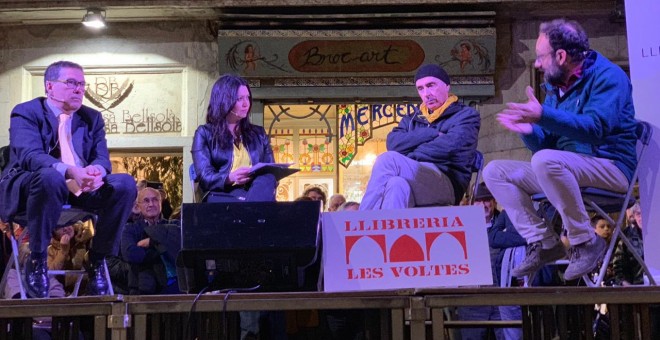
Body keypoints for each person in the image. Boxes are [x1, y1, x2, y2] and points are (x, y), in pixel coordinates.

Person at [483, 18, 637, 281]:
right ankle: (545, 242)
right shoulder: (557, 87)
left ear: (561, 55)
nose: (537, 64)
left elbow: (595, 128)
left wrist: (542, 114)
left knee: (546, 161)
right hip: (565, 167)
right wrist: (529, 130)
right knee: (495, 171)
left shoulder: (609, 77)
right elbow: (545, 144)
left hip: (610, 167)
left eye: (541, 57)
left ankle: (585, 241)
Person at [0, 60, 137, 298]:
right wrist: (69, 170)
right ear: (49, 87)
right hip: (32, 187)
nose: (79, 89)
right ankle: (38, 259)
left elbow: (102, 159)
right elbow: (29, 156)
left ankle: (97, 260)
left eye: (82, 84)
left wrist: (96, 173)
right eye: (71, 83)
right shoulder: (26, 112)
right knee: (50, 177)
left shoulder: (91, 118)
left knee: (124, 184)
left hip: (78, 190)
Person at [359, 64, 480, 210]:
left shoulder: (466, 115)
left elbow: (449, 148)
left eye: (431, 85)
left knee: (388, 159)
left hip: (447, 181)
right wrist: (431, 134)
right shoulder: (412, 118)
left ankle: (363, 221)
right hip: (416, 180)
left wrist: (407, 155)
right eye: (420, 88)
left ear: (447, 86)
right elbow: (393, 143)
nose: (426, 93)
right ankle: (388, 232)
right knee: (396, 184)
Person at [192, 74, 277, 203]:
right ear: (223, 101)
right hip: (222, 194)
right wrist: (229, 178)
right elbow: (204, 176)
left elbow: (271, 171)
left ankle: (251, 207)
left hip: (254, 192)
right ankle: (254, 210)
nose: (246, 104)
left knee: (268, 177)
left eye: (248, 98)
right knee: (252, 200)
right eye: (239, 99)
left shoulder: (258, 134)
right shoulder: (204, 133)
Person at [121, 187, 180, 294]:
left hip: (177, 287)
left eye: (155, 200)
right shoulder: (130, 229)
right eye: (146, 201)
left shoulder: (175, 225)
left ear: (161, 203)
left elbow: (179, 247)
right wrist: (161, 245)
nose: (151, 204)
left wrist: (151, 242)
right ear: (138, 206)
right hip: (143, 287)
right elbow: (131, 254)